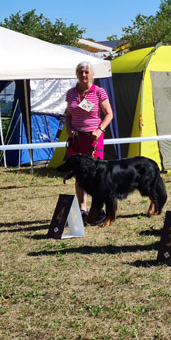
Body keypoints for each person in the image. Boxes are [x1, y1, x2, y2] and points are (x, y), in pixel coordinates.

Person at [64, 62, 113, 222]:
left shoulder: (99, 92)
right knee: (79, 175)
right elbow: (68, 115)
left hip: (93, 139)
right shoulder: (70, 93)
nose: (83, 75)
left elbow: (109, 114)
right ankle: (82, 208)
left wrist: (100, 130)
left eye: (86, 72)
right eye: (80, 72)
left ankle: (97, 208)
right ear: (76, 74)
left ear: (92, 74)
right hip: (77, 140)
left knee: (95, 175)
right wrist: (69, 130)